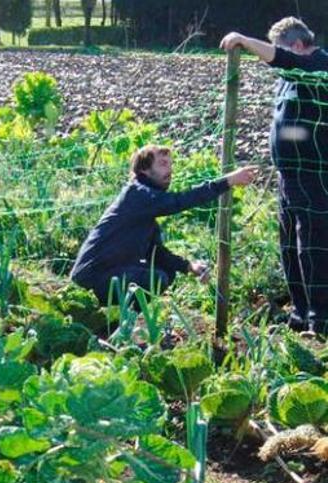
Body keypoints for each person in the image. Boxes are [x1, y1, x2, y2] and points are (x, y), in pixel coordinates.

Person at [222, 18, 328, 332]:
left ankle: (320, 320)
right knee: (289, 248)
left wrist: (243, 37)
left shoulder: (319, 66)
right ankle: (300, 313)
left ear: (297, 46)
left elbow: (284, 60)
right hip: (288, 176)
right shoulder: (290, 74)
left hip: (315, 177)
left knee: (313, 248)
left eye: (280, 49)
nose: (276, 56)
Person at [70, 145, 258, 304]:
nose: (170, 169)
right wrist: (227, 181)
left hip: (107, 274)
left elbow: (155, 253)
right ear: (144, 170)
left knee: (165, 271)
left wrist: (188, 266)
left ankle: (120, 323)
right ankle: (119, 322)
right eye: (162, 164)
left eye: (170, 164)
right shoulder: (138, 193)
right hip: (92, 278)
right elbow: (177, 202)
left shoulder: (146, 203)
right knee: (157, 279)